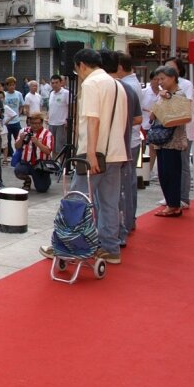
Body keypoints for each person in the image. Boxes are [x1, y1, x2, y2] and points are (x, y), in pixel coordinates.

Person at [43, 49, 128, 265]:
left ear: (81, 65)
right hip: (116, 152)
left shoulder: (91, 83)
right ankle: (110, 248)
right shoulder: (117, 84)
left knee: (76, 199)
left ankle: (65, 246)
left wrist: (90, 154)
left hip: (95, 153)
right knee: (109, 202)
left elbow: (93, 120)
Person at [104, 50, 143, 243]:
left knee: (118, 191)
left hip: (121, 145)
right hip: (127, 142)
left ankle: (120, 230)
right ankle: (126, 224)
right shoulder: (129, 86)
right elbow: (138, 117)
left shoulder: (122, 87)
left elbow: (136, 118)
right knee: (125, 187)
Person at [151, 66, 191, 218]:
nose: (160, 82)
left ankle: (174, 205)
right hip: (161, 138)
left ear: (173, 77)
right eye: (158, 79)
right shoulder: (163, 95)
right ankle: (171, 203)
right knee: (164, 173)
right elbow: (153, 115)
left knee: (171, 173)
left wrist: (167, 98)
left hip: (173, 140)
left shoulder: (179, 94)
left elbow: (182, 115)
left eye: (163, 78)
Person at [163, 57, 194, 208]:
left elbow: (185, 105)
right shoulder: (164, 86)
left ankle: (183, 197)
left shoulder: (185, 85)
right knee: (169, 166)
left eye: (171, 67)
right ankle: (171, 197)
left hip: (183, 130)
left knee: (182, 164)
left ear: (179, 70)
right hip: (168, 131)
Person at [13, 113, 54, 193]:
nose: (35, 125)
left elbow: (48, 151)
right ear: (29, 122)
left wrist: (37, 143)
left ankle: (45, 179)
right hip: (26, 162)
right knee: (18, 170)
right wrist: (21, 139)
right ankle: (27, 180)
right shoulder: (23, 131)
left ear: (41, 123)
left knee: (42, 189)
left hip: (40, 164)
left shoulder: (48, 134)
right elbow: (17, 147)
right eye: (33, 123)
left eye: (38, 123)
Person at [46, 75, 70, 159]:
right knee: (52, 146)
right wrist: (48, 116)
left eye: (56, 82)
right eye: (52, 83)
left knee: (60, 147)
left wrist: (68, 120)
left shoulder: (66, 93)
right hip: (51, 123)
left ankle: (62, 165)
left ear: (61, 83)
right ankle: (54, 164)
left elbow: (72, 107)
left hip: (61, 124)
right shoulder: (51, 93)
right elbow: (51, 107)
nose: (54, 85)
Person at [2, 77, 24, 155]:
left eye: (13, 85)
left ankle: (20, 154)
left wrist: (19, 113)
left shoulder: (19, 94)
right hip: (7, 122)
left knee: (19, 139)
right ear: (7, 86)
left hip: (16, 121)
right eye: (10, 85)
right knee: (7, 141)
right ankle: (10, 154)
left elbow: (22, 105)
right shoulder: (4, 94)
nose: (12, 87)